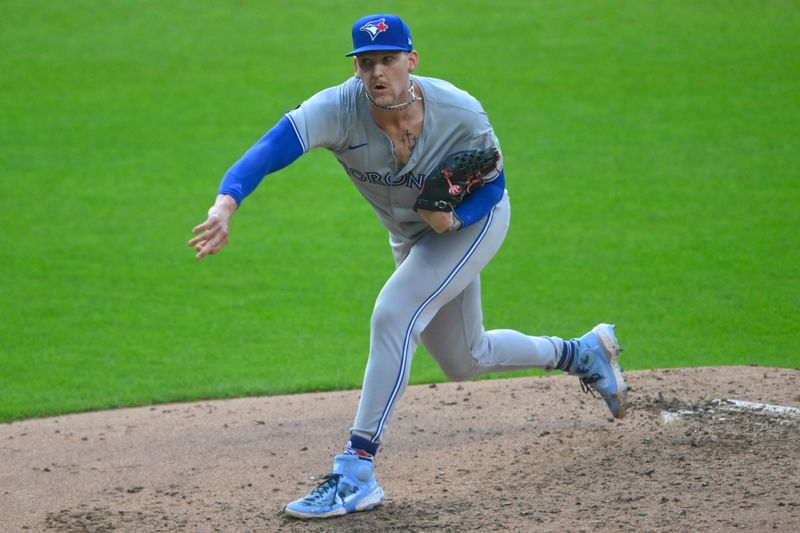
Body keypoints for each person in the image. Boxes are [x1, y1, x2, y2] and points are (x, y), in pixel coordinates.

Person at [188, 13, 628, 519]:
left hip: (472, 226)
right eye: (367, 62)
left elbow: (495, 185)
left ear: (411, 61)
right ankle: (583, 353)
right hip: (412, 237)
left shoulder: (459, 111)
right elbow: (268, 150)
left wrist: (457, 216)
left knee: (393, 315)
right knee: (465, 358)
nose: (378, 72)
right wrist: (226, 205)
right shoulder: (337, 109)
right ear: (356, 68)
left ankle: (355, 472)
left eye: (389, 60)